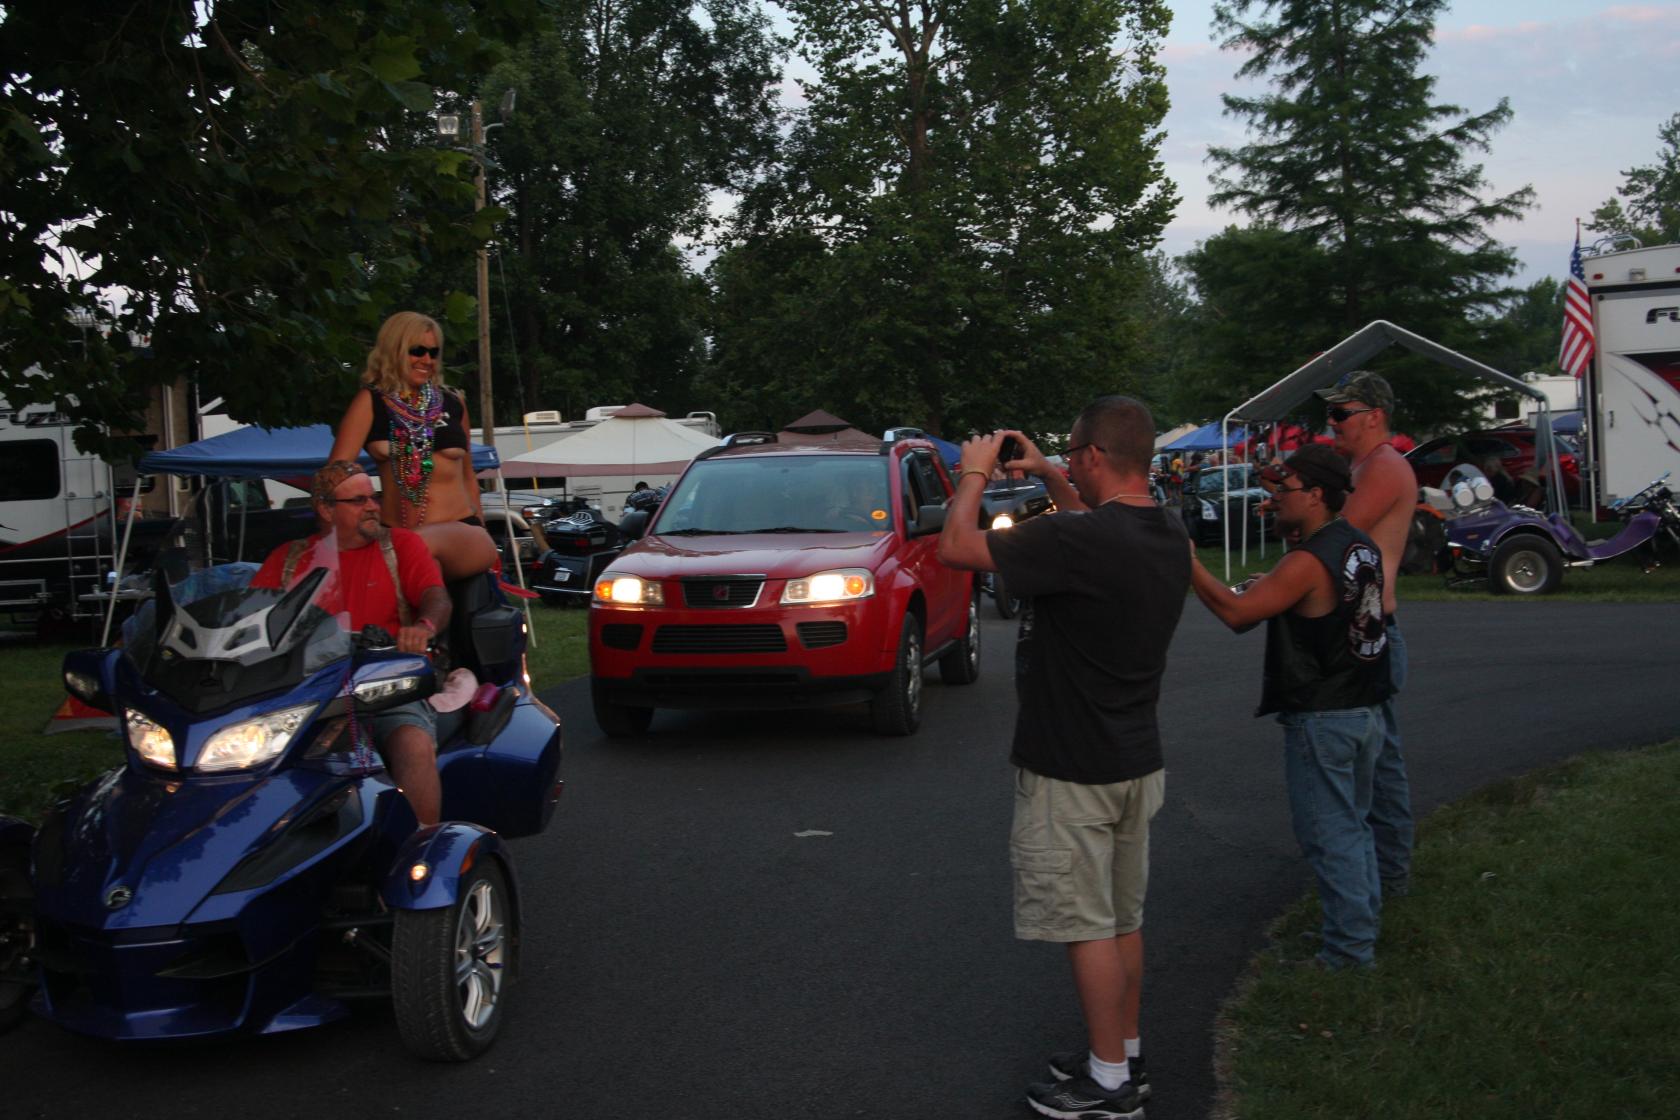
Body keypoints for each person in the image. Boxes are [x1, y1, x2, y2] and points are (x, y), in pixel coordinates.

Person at [939, 397, 1189, 1120]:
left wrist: (973, 473)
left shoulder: (1074, 540)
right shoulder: (1165, 530)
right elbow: (1094, 520)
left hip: (1071, 765)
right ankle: (1125, 1053)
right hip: (1134, 758)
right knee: (1121, 919)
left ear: (1095, 456)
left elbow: (957, 546)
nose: (1070, 464)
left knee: (1085, 926)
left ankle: (1109, 1086)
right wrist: (1052, 471)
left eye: (1074, 454)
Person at [1188, 445, 1392, 969]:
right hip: (1365, 709)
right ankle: (1358, 926)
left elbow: (1238, 615)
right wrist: (1275, 587)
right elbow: (1332, 605)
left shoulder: (1306, 561)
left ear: (1317, 495)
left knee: (1329, 834)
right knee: (1354, 824)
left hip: (1324, 715)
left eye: (1286, 488)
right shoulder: (1359, 544)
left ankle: (1349, 953)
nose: (1275, 496)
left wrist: (1190, 566)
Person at [250, 461, 452, 826]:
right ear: (326, 509)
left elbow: (435, 595)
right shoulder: (288, 558)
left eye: (374, 497)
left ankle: (421, 841)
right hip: (307, 691)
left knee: (413, 743)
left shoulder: (400, 545)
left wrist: (423, 627)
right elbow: (252, 616)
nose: (373, 506)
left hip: (386, 687)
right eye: (359, 501)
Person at [1316, 371, 1416, 897]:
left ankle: (1390, 877)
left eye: (1341, 413)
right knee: (1373, 760)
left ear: (1374, 416)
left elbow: (1332, 540)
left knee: (1376, 766)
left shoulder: (1382, 467)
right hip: (1364, 628)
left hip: (1370, 632)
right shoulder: (1365, 466)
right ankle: (1384, 875)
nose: (1331, 423)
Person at [330, 311, 499, 581]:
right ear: (394, 349)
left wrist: (481, 525)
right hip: (398, 531)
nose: (427, 360)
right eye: (417, 351)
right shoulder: (371, 402)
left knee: (413, 546)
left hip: (462, 529)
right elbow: (334, 477)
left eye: (433, 353)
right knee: (414, 558)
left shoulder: (453, 401)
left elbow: (468, 475)